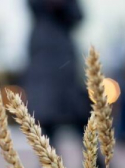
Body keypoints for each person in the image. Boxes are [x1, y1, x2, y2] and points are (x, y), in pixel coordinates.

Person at [23, 0, 89, 148]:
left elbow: (78, 16)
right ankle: (50, 161)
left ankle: (93, 157)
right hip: (43, 57)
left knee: (79, 111)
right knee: (46, 116)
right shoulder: (40, 16)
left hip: (63, 58)